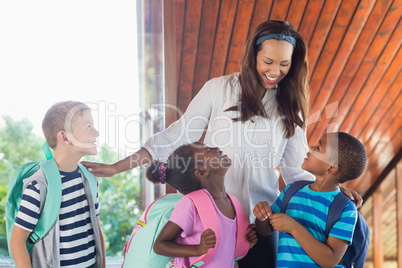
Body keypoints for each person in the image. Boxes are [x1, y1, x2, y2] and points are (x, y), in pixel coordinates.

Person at [82, 20, 361, 267]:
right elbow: (178, 135)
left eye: (284, 64)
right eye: (268, 61)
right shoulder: (219, 89)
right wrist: (118, 167)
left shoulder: (290, 108)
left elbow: (296, 171)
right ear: (253, 55)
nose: (275, 71)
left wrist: (335, 190)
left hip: (260, 222)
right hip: (210, 218)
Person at [10, 101, 106, 268]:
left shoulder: (89, 180)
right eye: (89, 126)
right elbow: (17, 241)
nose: (96, 133)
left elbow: (97, 229)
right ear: (64, 137)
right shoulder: (39, 186)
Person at [253, 132, 367, 267]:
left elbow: (330, 260)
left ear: (331, 167)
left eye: (318, 148)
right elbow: (265, 230)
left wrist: (294, 228)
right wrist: (262, 217)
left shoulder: (345, 209)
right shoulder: (291, 191)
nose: (311, 148)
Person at [147, 142, 257, 267]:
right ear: (201, 172)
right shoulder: (190, 204)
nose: (216, 148)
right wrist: (198, 249)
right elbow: (160, 245)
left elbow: (225, 250)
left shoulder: (233, 202)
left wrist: (246, 242)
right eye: (208, 149)